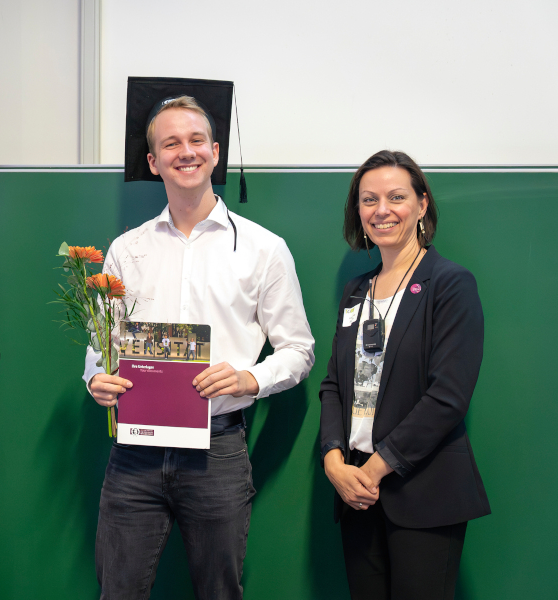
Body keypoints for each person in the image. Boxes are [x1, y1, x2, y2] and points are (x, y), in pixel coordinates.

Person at [84, 77, 315, 599]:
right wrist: (95, 378)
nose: (184, 152)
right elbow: (102, 346)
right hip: (134, 450)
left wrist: (249, 378)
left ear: (215, 152)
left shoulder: (263, 249)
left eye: (195, 140)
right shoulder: (125, 249)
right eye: (170, 143)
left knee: (220, 591)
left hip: (218, 449)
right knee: (118, 591)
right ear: (153, 162)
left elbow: (299, 351)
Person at [319, 150, 490, 599]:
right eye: (369, 200)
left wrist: (376, 469)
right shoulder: (355, 291)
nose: (382, 210)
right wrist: (334, 461)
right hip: (355, 491)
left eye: (396, 197)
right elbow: (334, 385)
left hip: (423, 492)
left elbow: (448, 397)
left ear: (421, 204)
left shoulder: (450, 283)